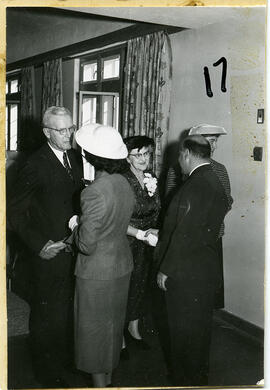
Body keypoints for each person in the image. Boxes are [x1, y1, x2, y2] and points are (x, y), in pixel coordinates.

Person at [7, 106, 83, 386]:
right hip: (48, 253)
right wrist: (39, 245)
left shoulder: (74, 157)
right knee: (46, 315)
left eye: (71, 128)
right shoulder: (34, 164)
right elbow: (13, 212)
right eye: (61, 130)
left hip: (71, 249)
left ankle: (63, 362)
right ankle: (46, 374)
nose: (68, 135)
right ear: (47, 132)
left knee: (66, 311)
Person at [156, 135, 228, 386]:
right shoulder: (214, 179)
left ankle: (183, 381)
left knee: (182, 333)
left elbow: (185, 234)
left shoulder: (194, 185)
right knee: (199, 333)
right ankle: (197, 378)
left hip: (187, 274)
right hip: (205, 268)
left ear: (187, 153)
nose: (178, 162)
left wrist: (166, 269)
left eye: (179, 156)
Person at [68, 124, 135, 388]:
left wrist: (75, 227)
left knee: (92, 332)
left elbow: (86, 244)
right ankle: (108, 381)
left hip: (96, 272)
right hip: (120, 265)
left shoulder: (94, 191)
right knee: (111, 329)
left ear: (90, 157)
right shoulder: (124, 183)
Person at [188, 124, 233, 308]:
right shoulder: (179, 168)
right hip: (185, 239)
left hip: (211, 237)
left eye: (215, 142)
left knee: (207, 291)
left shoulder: (220, 169)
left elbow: (227, 201)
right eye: (209, 141)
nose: (213, 146)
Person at [122, 136, 161, 350]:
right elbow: (117, 219)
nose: (143, 158)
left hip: (148, 242)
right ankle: (118, 335)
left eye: (146, 153)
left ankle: (133, 329)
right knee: (125, 286)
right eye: (137, 154)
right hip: (127, 239)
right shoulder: (121, 179)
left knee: (142, 284)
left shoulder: (151, 176)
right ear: (127, 157)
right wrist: (142, 233)